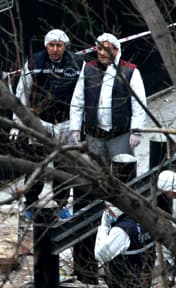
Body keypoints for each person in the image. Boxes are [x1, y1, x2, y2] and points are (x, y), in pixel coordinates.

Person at [13, 29, 83, 218]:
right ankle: (30, 204)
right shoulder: (34, 62)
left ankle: (61, 205)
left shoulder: (77, 63)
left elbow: (82, 94)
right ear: (46, 45)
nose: (54, 49)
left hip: (66, 122)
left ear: (65, 46)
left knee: (64, 165)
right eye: (51, 45)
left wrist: (79, 123)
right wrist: (17, 121)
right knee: (36, 164)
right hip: (40, 122)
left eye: (59, 45)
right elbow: (22, 91)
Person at [69, 33, 147, 166]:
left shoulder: (130, 71)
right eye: (99, 49)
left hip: (120, 135)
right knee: (97, 176)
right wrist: (75, 127)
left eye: (107, 49)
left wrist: (136, 130)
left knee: (123, 174)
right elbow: (78, 100)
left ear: (116, 50)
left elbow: (139, 104)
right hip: (94, 135)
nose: (102, 53)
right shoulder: (88, 69)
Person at [94, 202, 155, 287]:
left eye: (108, 208)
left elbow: (101, 255)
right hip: (144, 280)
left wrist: (104, 226)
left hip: (124, 281)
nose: (107, 211)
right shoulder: (145, 220)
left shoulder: (121, 231)